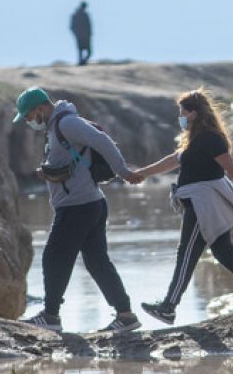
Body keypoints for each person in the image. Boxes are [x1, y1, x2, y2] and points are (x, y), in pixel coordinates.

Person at [135, 88, 233, 325]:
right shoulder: (195, 139)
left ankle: (168, 307)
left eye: (183, 112)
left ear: (194, 113)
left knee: (186, 253)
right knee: (222, 251)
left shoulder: (210, 138)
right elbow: (172, 160)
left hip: (202, 205)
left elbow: (229, 166)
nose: (180, 117)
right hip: (199, 202)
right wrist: (141, 173)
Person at [13, 86, 143, 333]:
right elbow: (70, 160)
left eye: (28, 116)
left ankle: (51, 316)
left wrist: (123, 172)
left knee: (53, 257)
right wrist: (49, 171)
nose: (29, 121)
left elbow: (102, 141)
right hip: (89, 203)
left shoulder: (67, 123)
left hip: (78, 206)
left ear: (40, 108)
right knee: (97, 262)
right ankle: (126, 316)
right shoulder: (55, 126)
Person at [70, 1, 92, 66]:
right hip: (83, 36)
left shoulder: (76, 15)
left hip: (82, 35)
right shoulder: (81, 15)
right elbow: (72, 26)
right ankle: (81, 62)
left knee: (82, 50)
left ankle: (82, 61)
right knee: (84, 50)